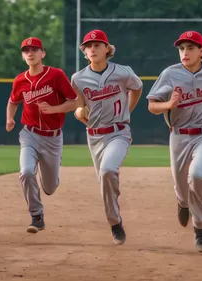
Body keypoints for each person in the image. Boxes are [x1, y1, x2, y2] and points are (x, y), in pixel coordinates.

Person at [146, 31, 202, 252]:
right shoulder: (170, 74)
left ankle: (200, 227)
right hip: (178, 135)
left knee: (197, 175)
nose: (185, 52)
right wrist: (168, 105)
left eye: (190, 48)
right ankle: (182, 202)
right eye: (181, 48)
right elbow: (152, 106)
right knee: (181, 184)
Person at [71, 29, 143, 245]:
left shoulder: (123, 72)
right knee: (104, 179)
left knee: (108, 170)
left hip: (118, 132)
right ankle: (115, 220)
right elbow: (80, 105)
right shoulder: (78, 78)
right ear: (84, 52)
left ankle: (114, 222)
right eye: (88, 46)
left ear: (107, 49)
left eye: (97, 45)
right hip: (93, 137)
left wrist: (128, 111)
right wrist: (78, 112)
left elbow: (137, 88)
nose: (92, 49)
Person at [6, 37, 78, 233]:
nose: (30, 53)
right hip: (29, 134)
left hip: (53, 138)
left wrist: (54, 109)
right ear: (23, 55)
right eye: (26, 50)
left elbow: (75, 103)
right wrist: (10, 119)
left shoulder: (56, 75)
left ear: (42, 54)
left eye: (34, 49)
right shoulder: (20, 80)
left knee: (50, 188)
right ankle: (36, 216)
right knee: (26, 172)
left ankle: (52, 178)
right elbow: (13, 102)